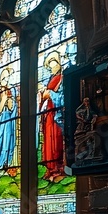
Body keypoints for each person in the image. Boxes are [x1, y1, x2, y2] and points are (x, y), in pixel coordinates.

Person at [39, 52, 66, 181]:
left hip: (57, 114)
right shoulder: (51, 78)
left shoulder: (62, 78)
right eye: (49, 65)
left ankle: (58, 168)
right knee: (48, 140)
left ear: (58, 62)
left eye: (53, 64)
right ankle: (50, 169)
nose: (52, 67)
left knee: (56, 139)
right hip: (49, 113)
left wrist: (50, 94)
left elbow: (63, 97)